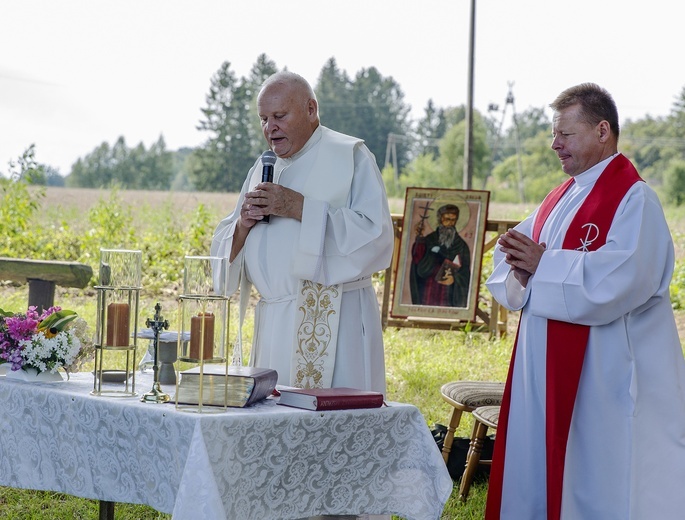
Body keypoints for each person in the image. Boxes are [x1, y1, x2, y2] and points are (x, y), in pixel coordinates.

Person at [485, 83, 685, 519]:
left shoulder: (635, 199)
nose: (555, 145)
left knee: (596, 478)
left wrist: (544, 265)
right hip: (542, 366)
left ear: (602, 131)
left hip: (604, 376)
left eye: (565, 134)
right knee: (542, 466)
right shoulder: (559, 197)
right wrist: (522, 271)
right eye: (553, 135)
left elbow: (621, 280)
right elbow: (512, 264)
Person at [211, 71, 393, 396]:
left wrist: (299, 208)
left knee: (333, 437)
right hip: (273, 324)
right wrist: (242, 225)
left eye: (280, 116)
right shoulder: (262, 167)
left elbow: (375, 236)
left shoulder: (351, 157)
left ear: (311, 109)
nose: (270, 128)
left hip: (336, 325)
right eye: (264, 119)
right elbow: (225, 252)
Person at [410, 203, 471, 307]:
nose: (450, 223)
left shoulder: (461, 245)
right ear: (440, 219)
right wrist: (420, 240)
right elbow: (418, 263)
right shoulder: (429, 240)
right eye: (446, 219)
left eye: (453, 220)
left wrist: (455, 279)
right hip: (429, 287)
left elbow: (465, 271)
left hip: (449, 291)